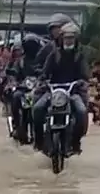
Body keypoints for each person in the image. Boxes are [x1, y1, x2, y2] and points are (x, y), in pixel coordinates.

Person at [34, 22, 90, 154]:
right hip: (53, 90)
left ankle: (76, 143)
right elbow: (45, 73)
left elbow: (85, 74)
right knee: (37, 108)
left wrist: (83, 82)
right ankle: (38, 141)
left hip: (73, 91)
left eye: (71, 38)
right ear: (61, 39)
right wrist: (42, 80)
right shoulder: (54, 55)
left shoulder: (79, 56)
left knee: (82, 111)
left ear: (76, 39)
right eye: (66, 38)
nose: (68, 40)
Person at [6, 36, 42, 142]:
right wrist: (14, 81)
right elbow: (14, 73)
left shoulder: (41, 60)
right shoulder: (20, 61)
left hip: (38, 90)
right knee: (15, 98)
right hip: (23, 89)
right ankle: (17, 125)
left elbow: (46, 72)